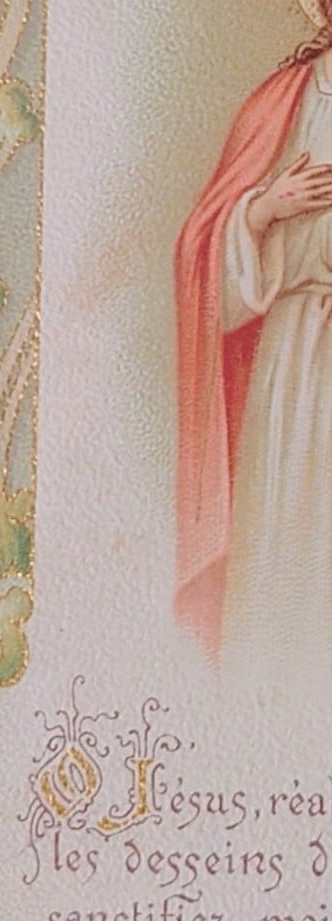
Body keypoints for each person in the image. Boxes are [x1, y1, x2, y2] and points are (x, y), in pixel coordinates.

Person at [176, 5, 332, 681]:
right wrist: (266, 208)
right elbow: (200, 251)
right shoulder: (282, 101)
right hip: (296, 354)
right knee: (293, 539)